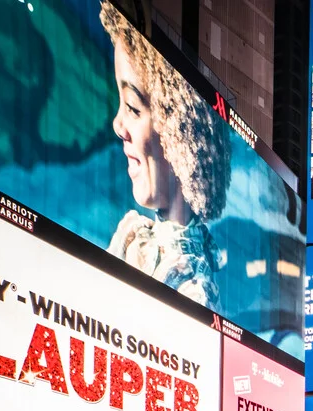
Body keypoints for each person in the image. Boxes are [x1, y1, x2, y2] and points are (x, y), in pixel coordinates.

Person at [101, 2, 231, 311]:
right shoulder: (133, 236)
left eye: (133, 107)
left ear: (178, 134)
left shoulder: (195, 288)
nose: (118, 125)